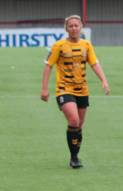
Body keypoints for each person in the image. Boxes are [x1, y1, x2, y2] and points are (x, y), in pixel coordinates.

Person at [41, 15, 110, 169]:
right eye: (70, 26)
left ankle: (75, 154)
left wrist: (104, 80)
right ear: (66, 29)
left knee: (78, 126)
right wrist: (44, 89)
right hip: (64, 89)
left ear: (81, 27)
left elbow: (94, 63)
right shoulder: (58, 46)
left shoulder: (86, 45)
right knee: (74, 120)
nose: (73, 28)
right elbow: (48, 66)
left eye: (76, 25)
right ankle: (74, 158)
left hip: (82, 90)